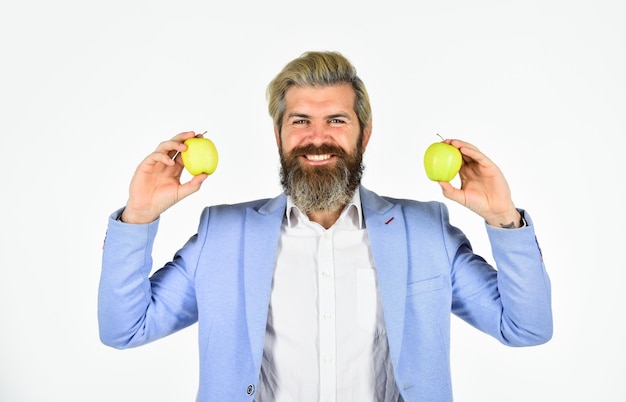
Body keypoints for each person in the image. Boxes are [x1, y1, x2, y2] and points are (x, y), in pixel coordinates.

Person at [98, 51, 553, 402]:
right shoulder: (224, 234)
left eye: (336, 120)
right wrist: (139, 216)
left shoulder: (424, 231)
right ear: (278, 135)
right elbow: (125, 328)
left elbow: (526, 327)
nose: (318, 137)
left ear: (364, 134)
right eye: (301, 121)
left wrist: (503, 219)